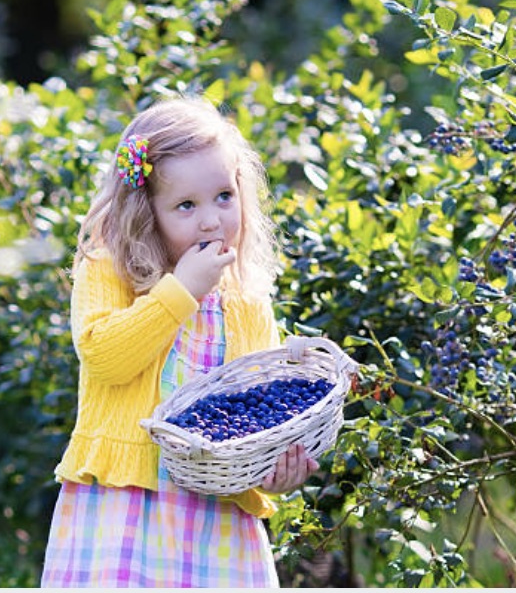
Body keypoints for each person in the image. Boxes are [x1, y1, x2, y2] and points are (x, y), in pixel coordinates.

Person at [40, 96, 320, 587]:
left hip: (219, 526)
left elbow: (258, 412)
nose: (211, 220)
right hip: (123, 516)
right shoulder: (110, 266)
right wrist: (183, 290)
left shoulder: (245, 300)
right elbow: (104, 358)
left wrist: (274, 470)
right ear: (145, 211)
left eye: (223, 197)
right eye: (186, 206)